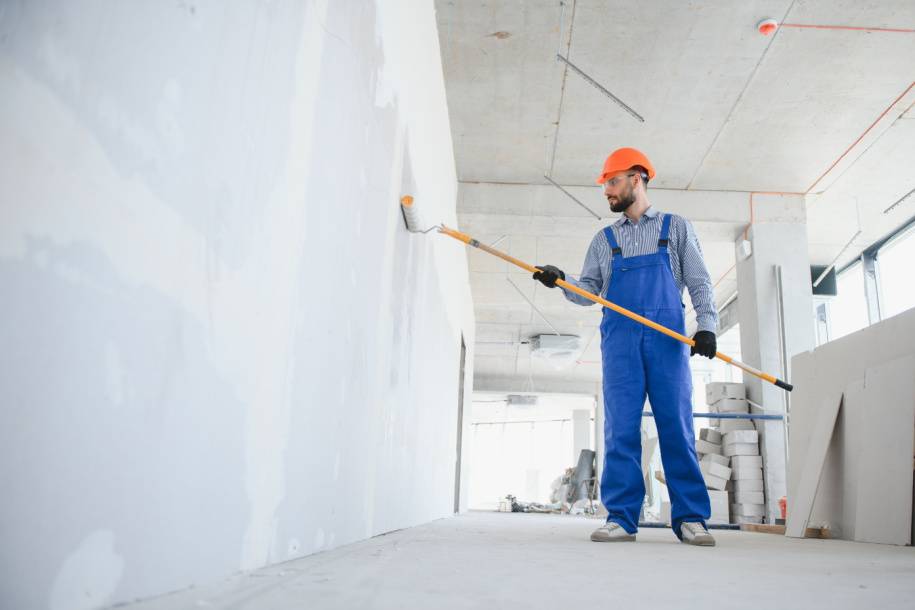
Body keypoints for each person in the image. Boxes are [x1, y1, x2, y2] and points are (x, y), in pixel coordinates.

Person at [533, 147, 719, 546]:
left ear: (637, 178)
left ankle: (690, 518)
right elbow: (588, 293)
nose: (607, 191)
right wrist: (561, 280)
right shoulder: (605, 239)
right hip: (620, 344)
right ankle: (621, 517)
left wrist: (707, 327)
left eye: (612, 182)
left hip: (668, 341)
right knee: (620, 430)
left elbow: (700, 282)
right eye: (605, 185)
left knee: (677, 427)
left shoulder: (677, 227)